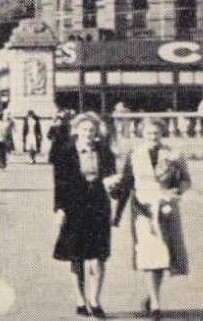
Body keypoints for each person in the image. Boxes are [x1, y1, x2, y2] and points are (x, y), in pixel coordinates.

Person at [111, 118, 192, 321]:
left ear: (162, 134)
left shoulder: (174, 154)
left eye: (156, 133)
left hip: (165, 210)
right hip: (142, 209)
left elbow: (186, 181)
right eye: (148, 134)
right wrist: (117, 214)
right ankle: (156, 304)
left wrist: (176, 193)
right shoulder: (134, 155)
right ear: (142, 134)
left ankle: (152, 295)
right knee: (149, 253)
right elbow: (126, 184)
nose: (153, 137)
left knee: (163, 254)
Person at [52, 111, 117, 318]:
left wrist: (114, 186)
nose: (88, 133)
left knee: (98, 256)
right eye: (84, 129)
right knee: (76, 256)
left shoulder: (105, 152)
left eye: (92, 130)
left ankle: (95, 299)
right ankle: (80, 299)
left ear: (96, 132)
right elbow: (59, 185)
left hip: (98, 207)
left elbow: (112, 180)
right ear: (76, 131)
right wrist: (59, 209)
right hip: (74, 208)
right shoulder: (65, 152)